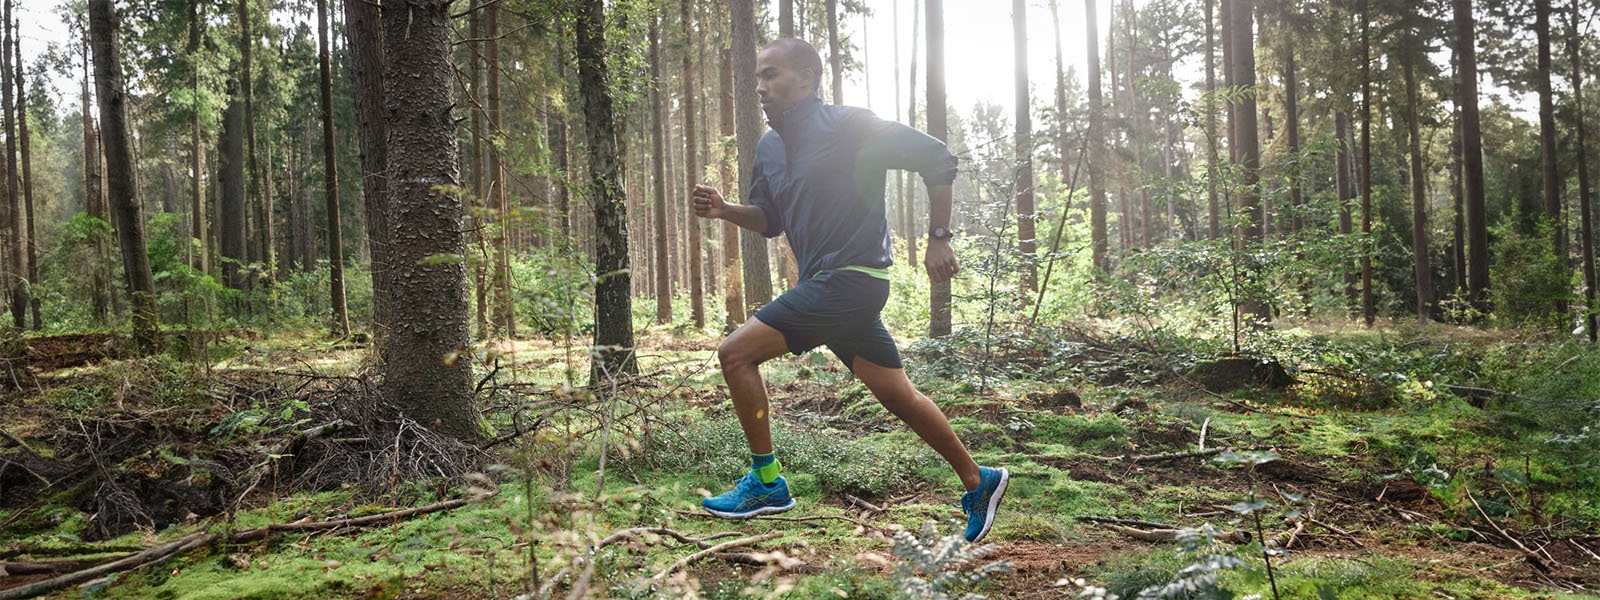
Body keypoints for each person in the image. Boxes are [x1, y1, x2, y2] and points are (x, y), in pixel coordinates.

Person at [690, 38, 1007, 543]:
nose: (760, 87)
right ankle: (979, 479)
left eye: (771, 75)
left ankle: (767, 483)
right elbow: (770, 220)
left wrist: (938, 237)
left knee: (735, 354)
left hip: (853, 279)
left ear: (809, 77)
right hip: (827, 285)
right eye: (757, 78)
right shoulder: (769, 147)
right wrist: (727, 210)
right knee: (897, 394)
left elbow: (937, 159)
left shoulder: (852, 127)